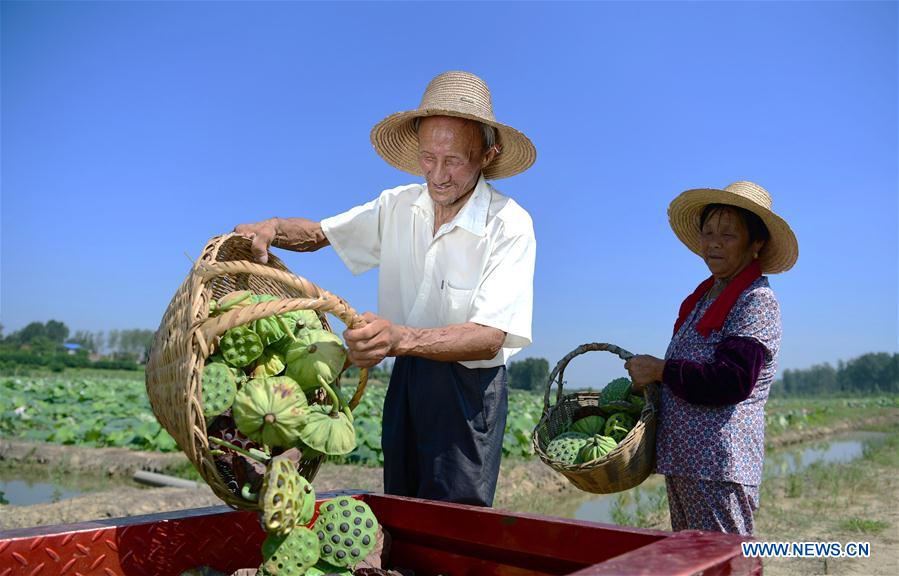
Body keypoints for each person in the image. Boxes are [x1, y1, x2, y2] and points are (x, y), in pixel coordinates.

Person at [235, 71, 537, 507]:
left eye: (454, 160)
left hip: (469, 393)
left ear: (487, 155)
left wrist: (398, 338)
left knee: (456, 519)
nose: (438, 175)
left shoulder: (508, 224)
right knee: (402, 504)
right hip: (407, 377)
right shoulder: (398, 205)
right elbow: (321, 233)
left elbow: (490, 335)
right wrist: (274, 228)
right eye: (428, 158)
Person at [624, 181, 798, 535]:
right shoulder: (705, 297)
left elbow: (731, 380)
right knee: (693, 563)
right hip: (687, 462)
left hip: (719, 465)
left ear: (756, 244)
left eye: (728, 235)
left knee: (726, 564)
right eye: (708, 233)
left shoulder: (755, 300)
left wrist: (660, 370)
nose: (714, 243)